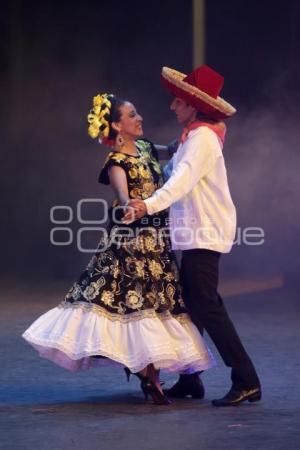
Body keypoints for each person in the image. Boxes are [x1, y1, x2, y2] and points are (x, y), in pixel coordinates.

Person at [22, 93, 215, 405]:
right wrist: (130, 208)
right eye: (132, 115)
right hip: (129, 246)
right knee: (134, 307)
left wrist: (198, 126)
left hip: (158, 244)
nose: (139, 118)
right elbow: (125, 199)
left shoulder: (146, 147)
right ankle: (149, 376)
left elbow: (178, 153)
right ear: (116, 125)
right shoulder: (115, 163)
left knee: (158, 306)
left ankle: (156, 376)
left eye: (138, 113)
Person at [124, 65, 262, 406]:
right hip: (195, 233)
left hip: (204, 233)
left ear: (193, 106)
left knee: (207, 306)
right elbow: (170, 164)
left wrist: (147, 206)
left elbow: (178, 182)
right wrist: (139, 148)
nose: (173, 107)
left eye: (178, 102)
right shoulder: (193, 137)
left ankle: (246, 379)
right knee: (192, 306)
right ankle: (190, 378)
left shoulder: (201, 140)